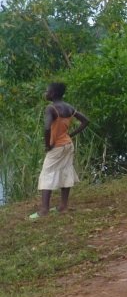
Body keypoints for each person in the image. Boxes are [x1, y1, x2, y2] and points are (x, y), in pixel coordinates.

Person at [33, 82, 90, 219]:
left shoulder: (51, 109)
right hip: (68, 145)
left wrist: (48, 145)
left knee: (47, 173)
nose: (45, 93)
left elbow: (47, 128)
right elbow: (86, 121)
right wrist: (71, 135)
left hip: (57, 146)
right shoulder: (68, 107)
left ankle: (44, 210)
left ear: (52, 94)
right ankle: (63, 206)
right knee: (65, 171)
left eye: (47, 91)